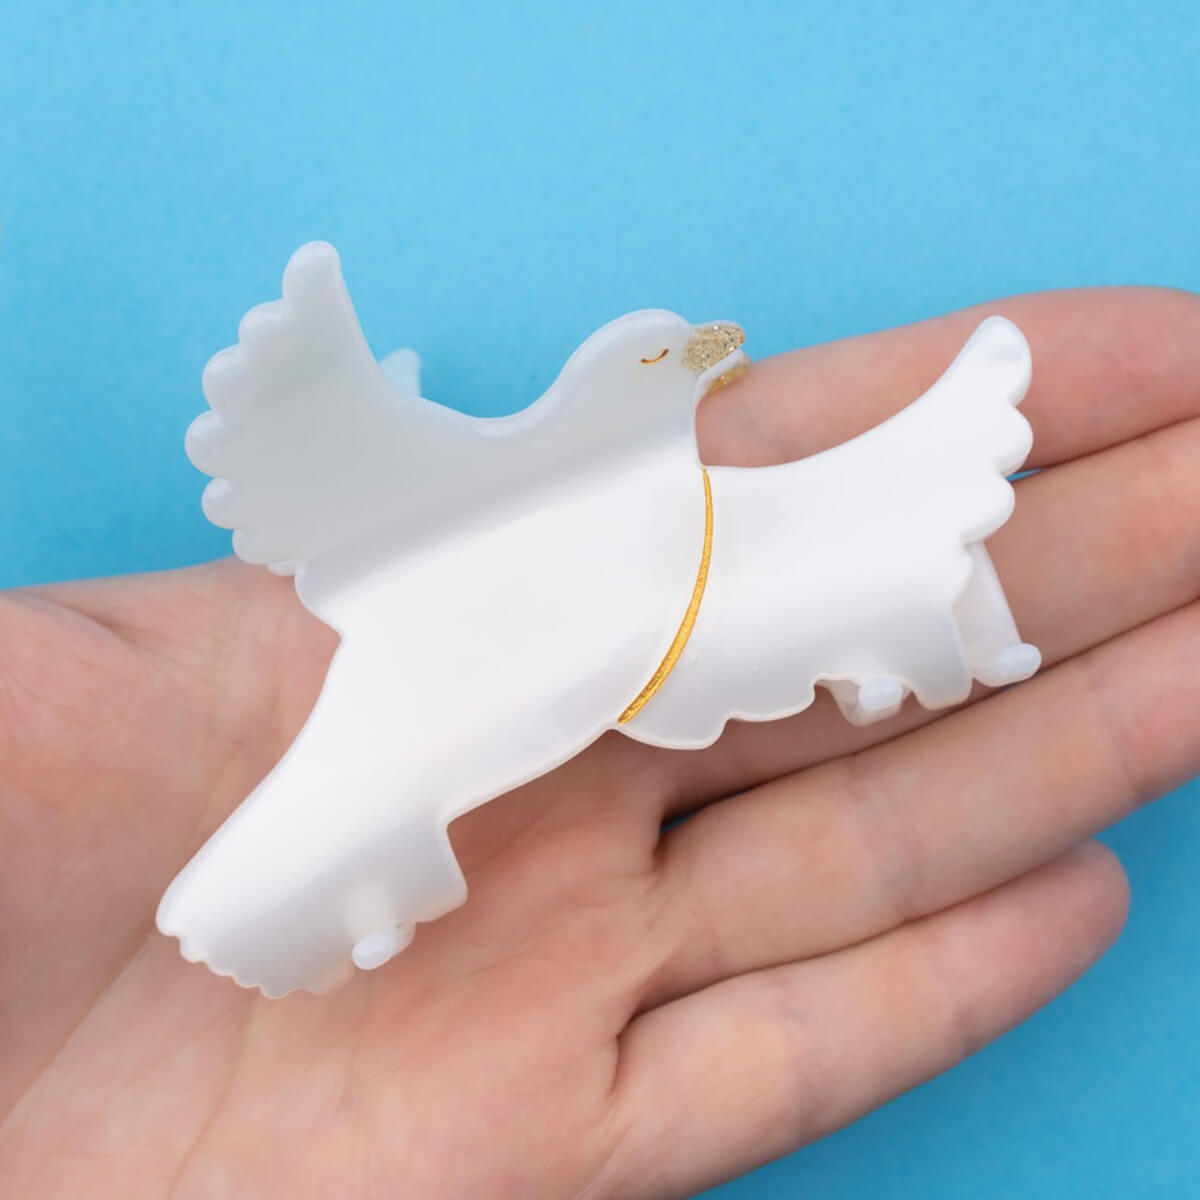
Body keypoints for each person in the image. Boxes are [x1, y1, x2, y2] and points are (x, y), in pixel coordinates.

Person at [1, 287, 1197, 1199]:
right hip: (420, 680)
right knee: (364, 805)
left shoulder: (677, 516)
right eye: (672, 361)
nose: (706, 361)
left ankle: (329, 885)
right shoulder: (535, 496)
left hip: (492, 702)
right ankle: (310, 889)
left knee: (383, 815)